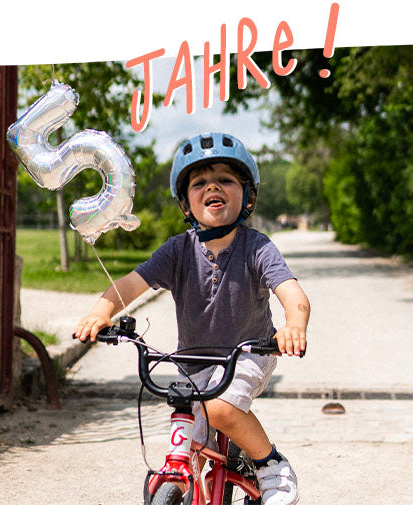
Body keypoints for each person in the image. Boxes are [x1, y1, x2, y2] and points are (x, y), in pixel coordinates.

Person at [73, 132, 310, 505]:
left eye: (226, 180)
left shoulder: (257, 247)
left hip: (249, 353)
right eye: (199, 182)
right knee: (189, 442)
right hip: (192, 364)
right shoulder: (177, 250)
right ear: (186, 203)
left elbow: (292, 294)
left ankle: (271, 464)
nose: (212, 186)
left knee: (219, 408)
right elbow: (131, 285)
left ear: (247, 196)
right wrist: (100, 312)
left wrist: (294, 327)